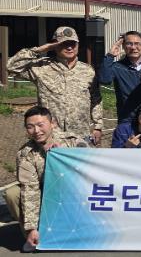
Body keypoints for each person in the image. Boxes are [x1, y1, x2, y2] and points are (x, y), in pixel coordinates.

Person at [2, 106, 89, 252]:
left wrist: (66, 156)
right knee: (13, 193)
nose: (36, 131)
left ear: (52, 123)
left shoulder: (72, 141)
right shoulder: (26, 154)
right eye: (30, 127)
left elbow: (92, 167)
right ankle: (35, 237)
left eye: (40, 125)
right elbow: (30, 190)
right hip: (46, 196)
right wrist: (31, 228)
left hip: (74, 194)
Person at [7, 26, 103, 144]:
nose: (69, 47)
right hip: (51, 138)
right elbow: (11, 66)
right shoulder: (41, 67)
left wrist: (98, 126)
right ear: (54, 45)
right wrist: (38, 50)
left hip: (80, 136)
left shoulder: (88, 71)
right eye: (64, 44)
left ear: (78, 45)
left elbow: (96, 99)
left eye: (73, 43)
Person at [98, 30, 141, 125]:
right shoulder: (117, 67)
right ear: (123, 46)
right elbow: (104, 80)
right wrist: (110, 55)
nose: (133, 47)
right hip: (127, 119)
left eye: (137, 44)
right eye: (129, 44)